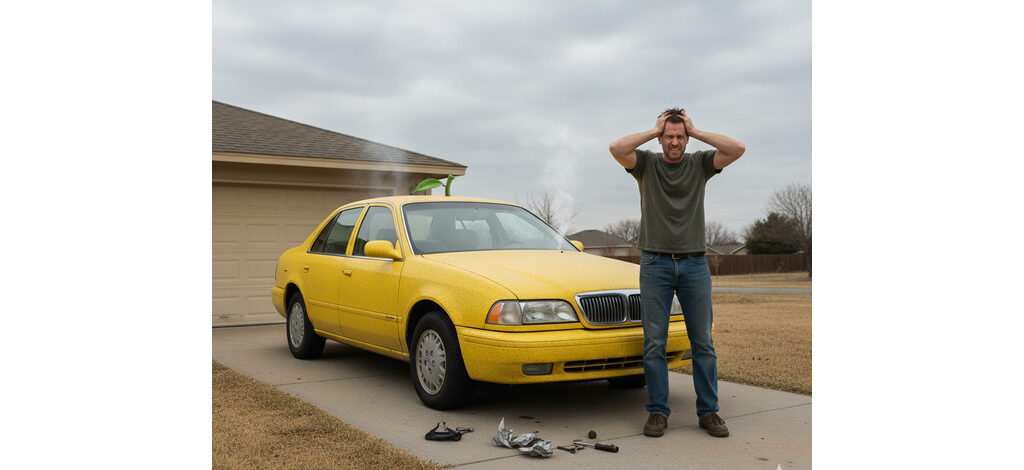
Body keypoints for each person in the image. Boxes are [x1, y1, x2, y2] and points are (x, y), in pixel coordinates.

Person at [608, 108, 745, 438]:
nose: (674, 142)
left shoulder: (699, 163)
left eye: (679, 137)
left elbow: (736, 149)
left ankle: (709, 412)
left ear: (686, 138)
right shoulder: (646, 164)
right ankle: (657, 412)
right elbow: (616, 149)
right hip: (655, 264)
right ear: (660, 138)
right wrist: (652, 129)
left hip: (695, 263)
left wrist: (695, 131)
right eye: (668, 136)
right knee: (655, 343)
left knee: (703, 343)